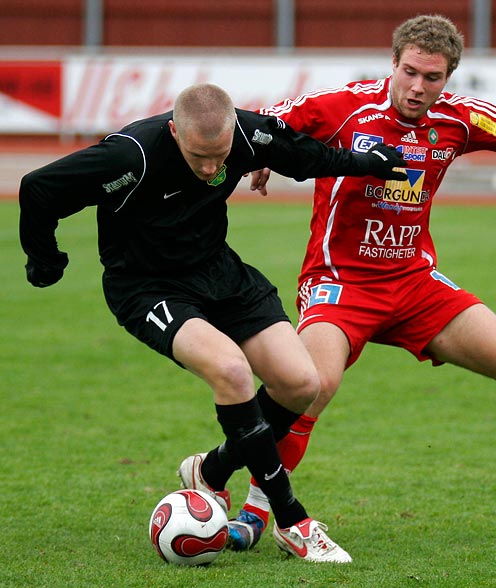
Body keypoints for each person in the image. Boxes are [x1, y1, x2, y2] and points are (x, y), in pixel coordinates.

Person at [225, 14, 496, 553]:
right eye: (409, 72)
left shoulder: (458, 119)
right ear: (394, 64)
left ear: (448, 77)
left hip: (414, 282)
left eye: (432, 77)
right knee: (310, 387)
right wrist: (264, 153)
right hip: (341, 284)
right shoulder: (346, 106)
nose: (417, 87)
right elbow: (262, 120)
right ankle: (255, 512)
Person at [18, 83, 407, 563]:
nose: (208, 168)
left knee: (301, 382)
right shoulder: (129, 158)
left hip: (220, 272)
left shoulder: (246, 135)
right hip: (147, 286)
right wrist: (44, 259)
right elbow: (39, 187)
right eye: (198, 156)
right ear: (174, 130)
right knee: (232, 371)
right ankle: (292, 520)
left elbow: (306, 157)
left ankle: (212, 471)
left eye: (218, 156)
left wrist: (370, 163)